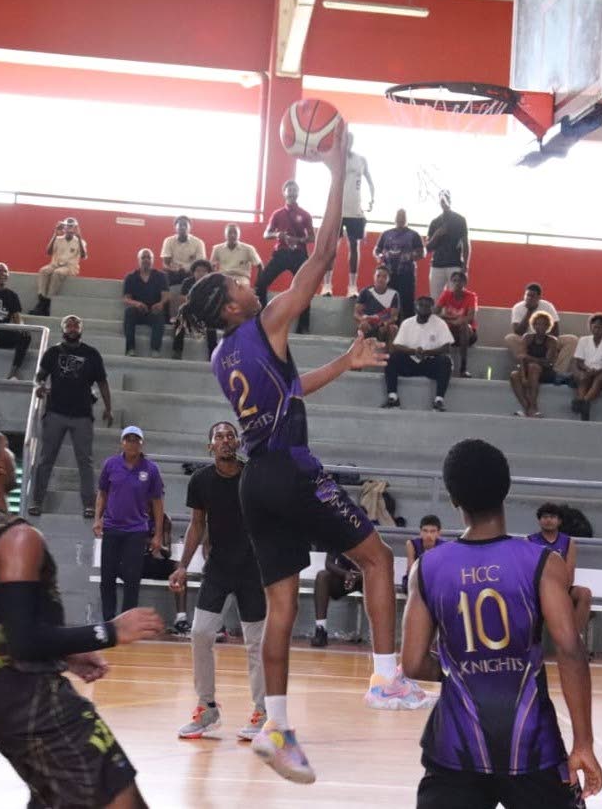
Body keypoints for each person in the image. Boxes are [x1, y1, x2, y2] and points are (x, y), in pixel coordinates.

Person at [177, 127, 429, 786]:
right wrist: (338, 166)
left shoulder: (221, 354)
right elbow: (319, 256)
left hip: (257, 480)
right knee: (375, 556)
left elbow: (286, 391)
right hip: (290, 467)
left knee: (281, 608)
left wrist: (344, 362)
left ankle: (278, 730)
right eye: (240, 279)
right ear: (233, 303)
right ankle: (384, 676)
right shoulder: (264, 324)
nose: (250, 278)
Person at [0, 405, 163, 809]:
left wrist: (67, 654)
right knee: (125, 802)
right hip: (30, 697)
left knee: (56, 799)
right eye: (5, 446)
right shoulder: (17, 538)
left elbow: (3, 626)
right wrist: (110, 631)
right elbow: (24, 639)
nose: (11, 454)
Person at [401, 439, 602, 809]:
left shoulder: (427, 568)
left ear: (453, 500)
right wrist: (584, 743)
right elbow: (572, 652)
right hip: (533, 749)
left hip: (454, 750)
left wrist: (460, 671)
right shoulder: (542, 562)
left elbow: (412, 663)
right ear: (506, 490)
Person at [168, 422, 267, 741]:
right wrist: (183, 566)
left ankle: (262, 711)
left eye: (230, 435)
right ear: (209, 446)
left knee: (256, 643)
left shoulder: (254, 475)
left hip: (253, 569)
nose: (225, 441)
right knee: (199, 633)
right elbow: (197, 525)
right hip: (219, 569)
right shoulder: (200, 481)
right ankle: (207, 708)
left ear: (238, 442)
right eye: (218, 437)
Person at [29, 315, 113, 520]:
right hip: (55, 413)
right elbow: (39, 376)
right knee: (46, 459)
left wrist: (109, 408)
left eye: (76, 325)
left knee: (85, 462)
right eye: (69, 325)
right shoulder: (52, 352)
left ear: (81, 329)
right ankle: (37, 501)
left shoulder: (91, 354)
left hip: (82, 415)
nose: (73, 328)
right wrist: (39, 386)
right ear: (63, 329)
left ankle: (89, 506)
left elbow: (102, 382)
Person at [94, 427, 164, 622]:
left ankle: (127, 621)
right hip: (112, 528)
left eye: (136, 440)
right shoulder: (110, 464)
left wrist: (157, 534)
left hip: (136, 530)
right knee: (107, 577)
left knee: (132, 579)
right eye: (128, 439)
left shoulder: (151, 469)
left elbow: (157, 503)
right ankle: (108, 620)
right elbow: (102, 493)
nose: (132, 443)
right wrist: (97, 519)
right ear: (121, 442)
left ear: (142, 444)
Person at [256, 179, 315, 335]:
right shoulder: (277, 214)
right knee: (260, 283)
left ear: (298, 193)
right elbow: (266, 234)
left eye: (295, 189)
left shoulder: (305, 214)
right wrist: (277, 234)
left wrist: (300, 240)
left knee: (305, 289)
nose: (292, 192)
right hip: (281, 253)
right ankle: (261, 319)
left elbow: (312, 238)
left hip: (299, 254)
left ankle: (303, 326)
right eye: (289, 189)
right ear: (284, 193)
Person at [529, 503, 593, 641]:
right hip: (536, 589)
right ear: (539, 520)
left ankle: (573, 639)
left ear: (559, 521)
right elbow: (526, 570)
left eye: (552, 517)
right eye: (545, 517)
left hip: (561, 588)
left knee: (584, 593)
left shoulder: (568, 542)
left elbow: (569, 572)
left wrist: (559, 592)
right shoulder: (529, 541)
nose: (548, 520)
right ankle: (527, 639)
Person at [323, 132, 375, 298]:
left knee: (354, 246)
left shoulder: (361, 159)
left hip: (355, 211)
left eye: (350, 140)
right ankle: (326, 285)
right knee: (332, 247)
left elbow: (370, 181)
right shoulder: (334, 157)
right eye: (345, 140)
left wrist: (372, 199)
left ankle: (352, 286)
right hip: (337, 209)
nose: (348, 143)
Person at [382, 296, 454, 413]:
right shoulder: (407, 323)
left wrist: (426, 353)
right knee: (391, 358)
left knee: (446, 361)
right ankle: (393, 398)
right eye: (421, 305)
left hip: (430, 364)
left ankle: (438, 401)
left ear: (432, 308)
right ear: (416, 307)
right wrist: (413, 351)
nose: (424, 308)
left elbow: (446, 347)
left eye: (427, 306)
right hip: (410, 363)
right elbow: (397, 346)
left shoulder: (440, 323)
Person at [504, 283, 578, 378]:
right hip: (527, 340)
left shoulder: (547, 306)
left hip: (547, 339)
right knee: (510, 338)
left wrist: (544, 339)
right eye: (527, 295)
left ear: (539, 297)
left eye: (532, 296)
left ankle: (557, 372)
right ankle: (526, 366)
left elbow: (556, 332)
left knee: (572, 340)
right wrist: (529, 311)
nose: (529, 298)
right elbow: (518, 332)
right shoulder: (518, 307)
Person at [141, 512, 190, 634]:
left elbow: (167, 553)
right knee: (130, 567)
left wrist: (157, 544)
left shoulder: (164, 519)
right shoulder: (137, 513)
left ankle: (181, 619)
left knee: (179, 568)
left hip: (151, 562)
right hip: (134, 562)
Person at [30, 217, 87, 316]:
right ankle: (42, 300)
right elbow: (48, 252)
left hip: (70, 267)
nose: (69, 229)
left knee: (57, 273)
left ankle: (46, 303)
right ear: (64, 228)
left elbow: (83, 256)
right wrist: (55, 234)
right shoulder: (58, 239)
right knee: (43, 271)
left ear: (75, 228)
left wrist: (79, 237)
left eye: (71, 227)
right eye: (67, 226)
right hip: (54, 264)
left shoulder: (80, 241)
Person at [375, 208, 424, 320]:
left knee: (407, 303)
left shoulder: (414, 235)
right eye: (399, 216)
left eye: (403, 216)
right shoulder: (386, 234)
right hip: (388, 275)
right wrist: (380, 256)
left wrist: (412, 256)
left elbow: (422, 252)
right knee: (388, 302)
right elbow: (377, 250)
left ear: (407, 219)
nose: (400, 219)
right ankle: (387, 328)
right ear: (395, 218)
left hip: (406, 275)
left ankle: (408, 329)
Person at [510, 310, 559, 418]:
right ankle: (527, 408)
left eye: (543, 324)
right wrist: (523, 377)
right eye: (537, 324)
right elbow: (522, 358)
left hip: (546, 372)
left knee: (533, 367)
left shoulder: (552, 341)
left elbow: (547, 362)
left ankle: (534, 406)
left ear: (548, 326)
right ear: (533, 325)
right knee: (514, 375)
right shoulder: (527, 337)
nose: (540, 326)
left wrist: (530, 358)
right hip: (528, 370)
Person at [310, 552, 363, 648]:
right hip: (344, 577)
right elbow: (328, 564)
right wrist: (346, 573)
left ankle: (382, 635)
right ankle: (320, 629)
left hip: (367, 578)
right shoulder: (338, 537)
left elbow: (379, 567)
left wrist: (358, 576)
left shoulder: (372, 537)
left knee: (381, 584)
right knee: (322, 576)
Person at [122, 248, 169, 357]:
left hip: (154, 311)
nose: (146, 260)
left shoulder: (161, 276)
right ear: (138, 260)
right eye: (143, 257)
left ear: (153, 260)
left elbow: (166, 295)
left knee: (159, 315)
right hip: (138, 311)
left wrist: (161, 303)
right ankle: (130, 349)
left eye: (149, 257)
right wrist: (136, 304)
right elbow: (126, 298)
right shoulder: (131, 277)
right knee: (129, 312)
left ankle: (155, 350)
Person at [572, 314, 602, 422]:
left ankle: (584, 401)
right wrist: (587, 369)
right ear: (591, 327)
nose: (597, 330)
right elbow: (579, 361)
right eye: (595, 327)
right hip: (586, 370)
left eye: (600, 327)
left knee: (600, 378)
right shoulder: (583, 340)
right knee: (583, 377)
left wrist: (598, 371)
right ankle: (584, 405)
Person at [424, 190, 468, 301]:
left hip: (454, 264)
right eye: (441, 200)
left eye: (446, 199)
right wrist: (437, 235)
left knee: (454, 298)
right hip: (437, 265)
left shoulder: (460, 220)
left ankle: (452, 318)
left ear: (450, 200)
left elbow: (466, 243)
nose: (443, 202)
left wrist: (465, 265)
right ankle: (436, 318)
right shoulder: (435, 222)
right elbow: (427, 248)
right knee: (435, 299)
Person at [436, 270, 478, 378]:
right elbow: (435, 314)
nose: (456, 283)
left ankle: (463, 368)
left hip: (468, 334)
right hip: (450, 332)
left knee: (464, 326)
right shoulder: (446, 294)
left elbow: (470, 318)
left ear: (464, 283)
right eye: (454, 281)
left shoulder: (471, 296)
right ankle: (445, 366)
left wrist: (458, 321)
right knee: (442, 328)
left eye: (459, 281)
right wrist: (454, 319)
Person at [171, 259, 216, 360]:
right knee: (180, 320)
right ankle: (177, 351)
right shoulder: (187, 282)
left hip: (205, 313)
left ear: (208, 273)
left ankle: (213, 354)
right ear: (193, 272)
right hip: (190, 312)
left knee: (211, 324)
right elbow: (182, 299)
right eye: (198, 271)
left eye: (204, 271)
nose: (201, 273)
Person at [354, 265, 399, 343]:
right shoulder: (365, 292)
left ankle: (391, 354)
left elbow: (394, 317)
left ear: (388, 279)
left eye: (384, 277)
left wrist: (385, 324)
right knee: (363, 326)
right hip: (369, 323)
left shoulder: (394, 294)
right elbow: (356, 313)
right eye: (378, 276)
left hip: (384, 323)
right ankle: (362, 351)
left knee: (393, 328)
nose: (381, 279)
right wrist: (363, 320)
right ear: (374, 277)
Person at [401, 515, 444, 594]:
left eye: (432, 531)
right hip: (415, 580)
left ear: (438, 533)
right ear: (420, 532)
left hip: (435, 581)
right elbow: (411, 569)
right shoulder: (411, 544)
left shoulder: (444, 546)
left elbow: (443, 572)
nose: (428, 535)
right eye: (425, 531)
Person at [160, 215, 207, 287]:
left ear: (190, 228)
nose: (183, 227)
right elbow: (166, 263)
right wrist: (173, 269)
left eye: (185, 225)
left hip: (191, 273)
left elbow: (200, 264)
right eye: (180, 225)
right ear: (175, 227)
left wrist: (187, 269)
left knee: (199, 274)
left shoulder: (198, 242)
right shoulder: (168, 241)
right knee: (164, 275)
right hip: (173, 273)